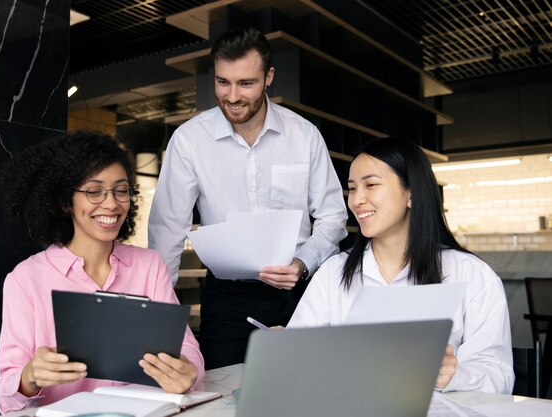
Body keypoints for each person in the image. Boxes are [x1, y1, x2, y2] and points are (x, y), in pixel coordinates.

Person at [148, 26, 347, 369]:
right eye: (223, 82)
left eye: (246, 83)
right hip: (227, 298)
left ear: (269, 77)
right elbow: (167, 230)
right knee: (222, 390)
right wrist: (157, 314)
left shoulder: (304, 135)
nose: (232, 95)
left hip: (296, 293)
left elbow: (332, 217)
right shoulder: (189, 140)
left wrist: (303, 264)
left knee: (301, 387)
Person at [0, 131, 205, 414]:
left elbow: (187, 348)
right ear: (65, 201)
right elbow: (7, 397)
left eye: (121, 190)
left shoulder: (149, 267)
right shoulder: (25, 280)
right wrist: (30, 376)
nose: (111, 204)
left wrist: (188, 372)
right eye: (94, 191)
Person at [287, 136, 514, 394]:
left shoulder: (472, 275)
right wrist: (285, 350)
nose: (356, 200)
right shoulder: (333, 273)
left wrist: (456, 375)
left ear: (411, 194)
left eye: (371, 184)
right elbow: (298, 364)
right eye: (352, 188)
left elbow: (500, 375)